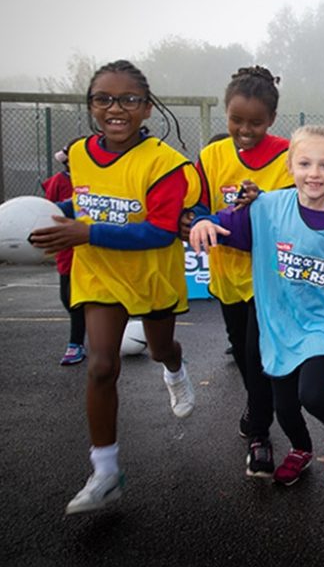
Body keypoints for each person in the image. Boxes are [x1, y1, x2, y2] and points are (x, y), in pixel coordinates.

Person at [30, 59, 199, 514]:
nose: (115, 108)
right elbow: (83, 199)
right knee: (101, 366)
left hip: (150, 272)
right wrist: (47, 215)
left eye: (128, 99)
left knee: (161, 347)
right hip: (98, 272)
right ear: (91, 105)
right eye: (103, 98)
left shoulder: (167, 164)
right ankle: (105, 472)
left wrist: (85, 231)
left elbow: (161, 232)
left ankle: (175, 370)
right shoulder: (80, 153)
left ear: (147, 109)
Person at [190, 125, 324, 488]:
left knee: (311, 395)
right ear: (290, 167)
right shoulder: (268, 208)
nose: (314, 173)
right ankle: (301, 448)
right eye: (305, 163)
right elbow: (227, 225)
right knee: (284, 408)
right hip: (279, 323)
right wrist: (204, 222)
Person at [193, 66, 292, 478]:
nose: (245, 129)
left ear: (271, 120)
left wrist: (266, 199)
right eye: (236, 120)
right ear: (226, 115)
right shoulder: (211, 156)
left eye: (255, 122)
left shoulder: (289, 155)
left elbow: (298, 212)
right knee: (242, 349)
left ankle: (260, 438)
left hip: (269, 278)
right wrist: (197, 220)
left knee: (257, 354)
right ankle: (256, 405)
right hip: (226, 275)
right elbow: (195, 206)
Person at [41, 145, 86, 366]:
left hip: (92, 247)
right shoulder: (60, 181)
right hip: (67, 248)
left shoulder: (100, 180)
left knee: (81, 299)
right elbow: (49, 209)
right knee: (67, 297)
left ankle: (75, 343)